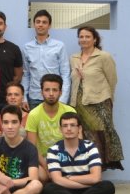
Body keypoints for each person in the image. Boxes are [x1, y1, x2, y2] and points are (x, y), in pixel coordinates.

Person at [43, 112, 120, 194]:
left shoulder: (90, 147)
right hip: (67, 190)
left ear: (79, 129)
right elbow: (57, 180)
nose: (69, 129)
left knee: (108, 186)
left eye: (72, 125)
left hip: (88, 190)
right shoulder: (53, 150)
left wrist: (69, 177)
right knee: (49, 189)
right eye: (65, 126)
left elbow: (95, 178)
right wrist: (81, 184)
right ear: (60, 130)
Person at [70, 26, 123, 170]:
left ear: (95, 39)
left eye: (87, 36)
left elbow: (112, 80)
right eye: (81, 36)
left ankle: (100, 168)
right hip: (79, 103)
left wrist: (108, 100)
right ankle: (88, 169)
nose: (84, 39)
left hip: (100, 103)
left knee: (100, 135)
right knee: (85, 135)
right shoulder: (74, 58)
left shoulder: (104, 56)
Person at [26, 74, 76, 182]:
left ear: (61, 92)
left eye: (55, 90)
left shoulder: (70, 112)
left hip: (66, 157)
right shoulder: (34, 114)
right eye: (47, 90)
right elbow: (32, 147)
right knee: (41, 176)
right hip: (43, 159)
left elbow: (77, 143)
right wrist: (46, 166)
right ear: (41, 92)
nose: (51, 94)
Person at [22, 9, 70, 110]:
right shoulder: (27, 47)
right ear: (34, 24)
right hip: (34, 97)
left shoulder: (59, 46)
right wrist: (24, 98)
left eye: (44, 22)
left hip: (55, 97)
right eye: (38, 22)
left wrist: (63, 99)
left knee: (55, 126)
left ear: (49, 25)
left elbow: (65, 74)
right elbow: (26, 74)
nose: (40, 25)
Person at [0, 11, 23, 115]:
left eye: (0, 23)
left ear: (5, 26)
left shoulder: (14, 49)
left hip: (6, 101)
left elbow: (18, 76)